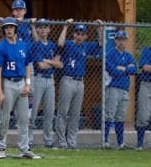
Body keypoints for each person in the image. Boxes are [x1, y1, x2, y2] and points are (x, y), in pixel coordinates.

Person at [0, 17, 39, 159]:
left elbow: (27, 66)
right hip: (8, 83)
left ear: (15, 29)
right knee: (4, 117)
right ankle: (1, 148)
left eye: (11, 27)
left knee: (24, 119)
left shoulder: (23, 45)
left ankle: (24, 148)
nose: (9, 30)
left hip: (22, 83)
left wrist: (28, 84)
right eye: (6, 28)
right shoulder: (1, 47)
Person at [55, 19, 103, 150]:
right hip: (67, 80)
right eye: (78, 33)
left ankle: (72, 142)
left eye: (82, 34)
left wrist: (99, 29)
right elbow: (60, 43)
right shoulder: (69, 44)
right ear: (74, 34)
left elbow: (101, 43)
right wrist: (65, 26)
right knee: (63, 112)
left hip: (80, 82)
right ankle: (61, 142)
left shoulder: (86, 46)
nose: (80, 36)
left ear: (86, 36)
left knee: (75, 114)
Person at [28, 18, 63, 149]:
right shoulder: (35, 45)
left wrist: (49, 61)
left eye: (45, 27)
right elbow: (41, 66)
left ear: (49, 29)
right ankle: (29, 139)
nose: (43, 29)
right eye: (40, 27)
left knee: (49, 111)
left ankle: (48, 139)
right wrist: (51, 62)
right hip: (38, 79)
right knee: (34, 110)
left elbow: (59, 64)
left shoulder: (52, 45)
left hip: (50, 80)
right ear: (37, 29)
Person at [103, 30, 137, 149]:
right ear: (115, 40)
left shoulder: (128, 55)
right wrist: (126, 68)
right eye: (119, 39)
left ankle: (120, 143)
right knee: (109, 115)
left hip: (124, 89)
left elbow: (134, 70)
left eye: (123, 39)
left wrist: (123, 68)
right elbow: (113, 71)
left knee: (120, 117)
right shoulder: (110, 53)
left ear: (126, 41)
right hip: (113, 88)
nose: (121, 42)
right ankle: (105, 141)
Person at [136, 46, 151, 150]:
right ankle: (140, 144)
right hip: (147, 84)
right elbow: (145, 67)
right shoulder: (147, 50)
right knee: (143, 115)